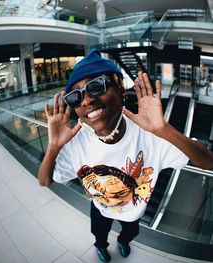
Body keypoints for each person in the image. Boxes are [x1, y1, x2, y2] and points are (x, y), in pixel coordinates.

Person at [38, 49, 213, 262]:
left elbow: (207, 162)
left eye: (96, 86)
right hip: (100, 210)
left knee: (129, 233)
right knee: (99, 234)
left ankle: (123, 241)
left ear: (120, 88)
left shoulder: (151, 135)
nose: (85, 101)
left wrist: (163, 129)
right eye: (75, 97)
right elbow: (44, 180)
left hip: (133, 214)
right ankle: (101, 247)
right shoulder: (75, 144)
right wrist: (54, 145)